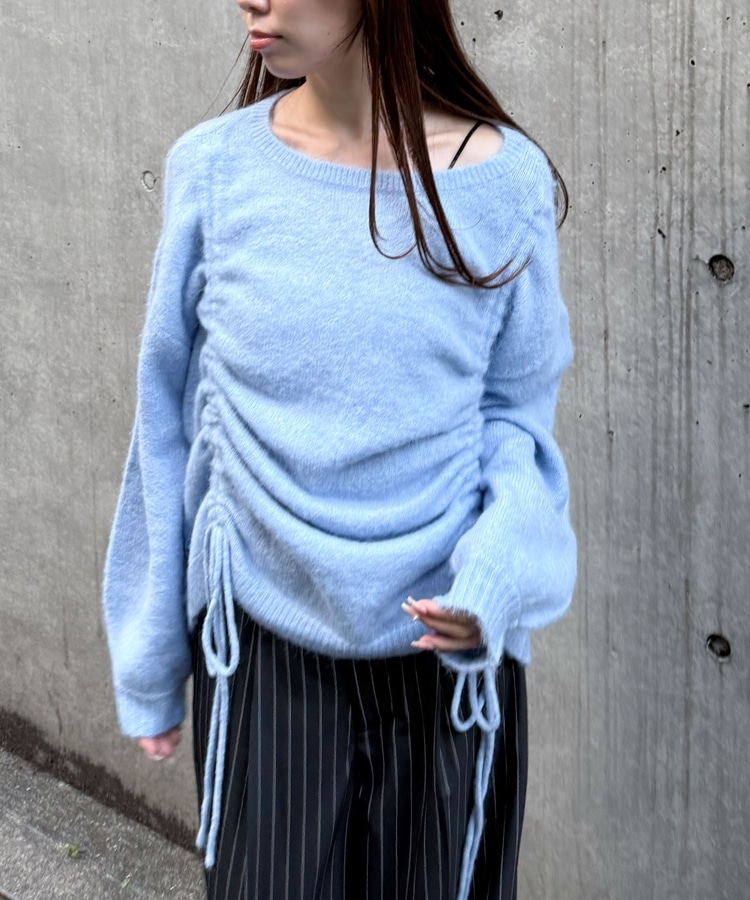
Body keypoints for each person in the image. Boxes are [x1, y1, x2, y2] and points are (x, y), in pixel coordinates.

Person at [103, 0, 577, 896]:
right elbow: (167, 422)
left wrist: (495, 580)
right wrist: (152, 655)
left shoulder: (502, 179)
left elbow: (516, 421)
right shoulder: (215, 170)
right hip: (265, 652)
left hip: (446, 659)